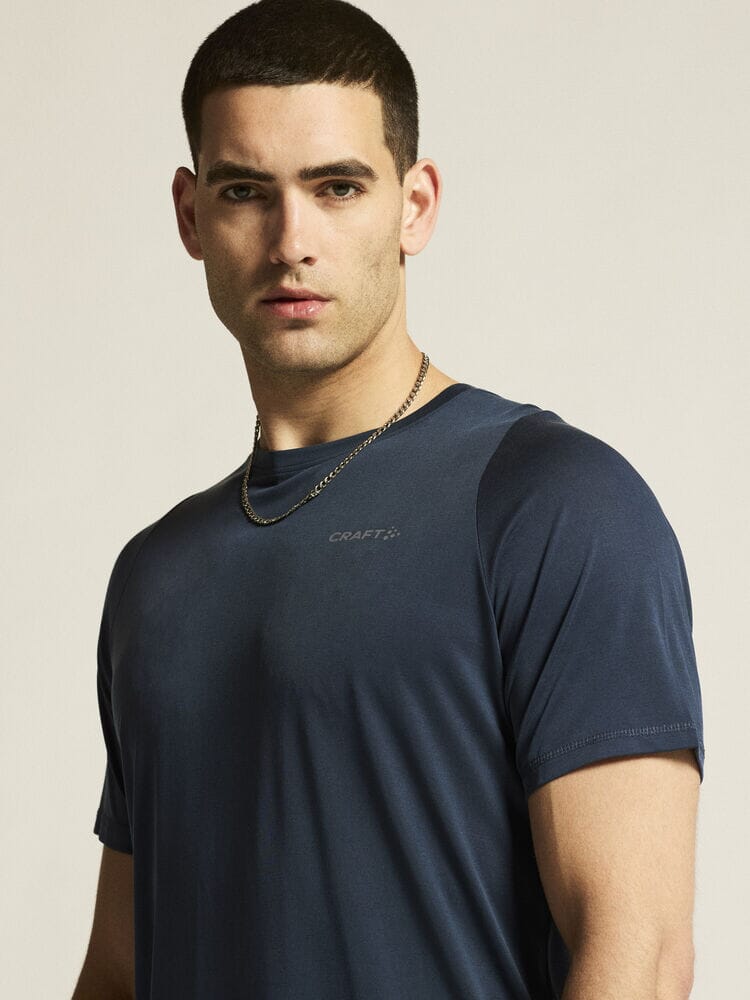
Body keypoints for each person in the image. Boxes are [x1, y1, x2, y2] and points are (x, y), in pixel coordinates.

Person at [73, 1, 705, 998]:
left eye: (337, 187)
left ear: (416, 204)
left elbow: (639, 954)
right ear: (191, 215)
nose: (292, 240)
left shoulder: (553, 505)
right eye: (246, 192)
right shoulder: (156, 574)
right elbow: (120, 969)